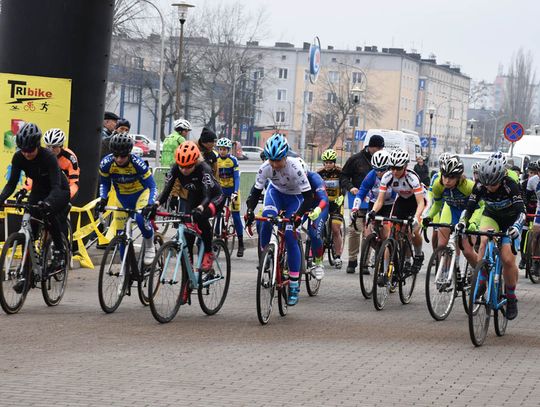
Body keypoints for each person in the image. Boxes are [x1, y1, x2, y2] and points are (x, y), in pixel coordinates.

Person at [0, 123, 71, 290]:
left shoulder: (48, 157)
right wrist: (1, 198)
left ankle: (60, 251)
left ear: (37, 146)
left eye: (30, 150)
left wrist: (48, 203)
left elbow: (55, 186)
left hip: (59, 189)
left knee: (49, 212)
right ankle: (27, 275)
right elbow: (11, 184)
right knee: (30, 229)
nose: (26, 153)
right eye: (23, 150)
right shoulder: (19, 157)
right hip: (39, 189)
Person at [245, 134, 312, 306]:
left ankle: (295, 284)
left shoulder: (295, 167)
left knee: (290, 235)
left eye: (278, 160)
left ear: (285, 156)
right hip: (275, 194)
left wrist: (297, 216)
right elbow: (255, 193)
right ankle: (266, 256)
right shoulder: (265, 167)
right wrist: (250, 211)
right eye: (271, 160)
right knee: (266, 220)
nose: (275, 165)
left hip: (296, 198)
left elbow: (308, 197)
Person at [457, 153, 525, 320]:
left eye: (493, 184)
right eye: (486, 184)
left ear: (501, 179)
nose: (489, 187)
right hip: (492, 216)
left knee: (507, 259)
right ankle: (480, 280)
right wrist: (463, 222)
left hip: (510, 220)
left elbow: (521, 212)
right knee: (484, 240)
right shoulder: (481, 185)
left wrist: (516, 227)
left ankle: (510, 297)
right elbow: (470, 206)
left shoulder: (511, 185)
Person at [156, 141, 225, 270]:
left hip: (213, 197)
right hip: (194, 196)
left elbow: (207, 195)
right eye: (181, 166)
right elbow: (166, 191)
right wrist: (155, 204)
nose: (184, 170)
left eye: (188, 166)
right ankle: (189, 276)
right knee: (188, 235)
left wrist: (200, 208)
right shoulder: (176, 168)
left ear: (195, 162)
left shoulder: (204, 168)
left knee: (201, 217)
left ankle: (208, 252)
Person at [96, 132, 158, 265]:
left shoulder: (138, 164)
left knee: (142, 220)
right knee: (121, 235)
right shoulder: (106, 164)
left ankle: (149, 245)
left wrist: (150, 204)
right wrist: (103, 199)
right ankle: (126, 269)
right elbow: (105, 183)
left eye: (123, 156)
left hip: (141, 195)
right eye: (116, 155)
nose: (119, 159)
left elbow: (153, 186)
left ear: (129, 153)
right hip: (122, 198)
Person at [369, 148, 425, 273]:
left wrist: (416, 217)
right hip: (401, 200)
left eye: (398, 168)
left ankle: (417, 255)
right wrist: (372, 212)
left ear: (405, 166)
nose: (394, 171)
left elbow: (421, 202)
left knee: (413, 231)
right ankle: (385, 272)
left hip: (416, 201)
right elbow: (380, 200)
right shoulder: (388, 176)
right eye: (392, 167)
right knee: (392, 234)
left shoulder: (412, 178)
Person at [422, 156, 478, 268]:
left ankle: (480, 276)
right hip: (452, 211)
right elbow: (437, 204)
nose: (447, 181)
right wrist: (428, 216)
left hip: (470, 213)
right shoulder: (439, 185)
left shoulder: (468, 186)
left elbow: (481, 207)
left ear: (458, 178)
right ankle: (445, 272)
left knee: (467, 251)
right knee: (442, 245)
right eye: (445, 176)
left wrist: (473, 222)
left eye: (451, 178)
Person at [340, 134, 385, 273]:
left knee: (369, 232)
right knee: (354, 230)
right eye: (377, 148)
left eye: (381, 148)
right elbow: (343, 176)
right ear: (370, 147)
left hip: (375, 200)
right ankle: (352, 260)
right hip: (358, 197)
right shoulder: (356, 159)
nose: (379, 151)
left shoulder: (383, 160)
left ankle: (365, 262)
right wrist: (350, 187)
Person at [351, 150, 396, 248]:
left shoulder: (393, 176)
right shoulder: (371, 175)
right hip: (374, 203)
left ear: (388, 167)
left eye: (382, 169)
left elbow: (397, 196)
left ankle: (387, 250)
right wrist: (355, 209)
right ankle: (377, 252)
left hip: (390, 204)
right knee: (367, 233)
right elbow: (361, 193)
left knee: (385, 232)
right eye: (376, 169)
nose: (379, 172)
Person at [216, 137, 245, 257]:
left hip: (232, 190)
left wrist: (235, 191)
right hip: (221, 190)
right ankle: (216, 237)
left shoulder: (233, 160)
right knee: (217, 213)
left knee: (236, 216)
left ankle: (241, 244)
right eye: (220, 149)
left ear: (228, 150)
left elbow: (237, 177)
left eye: (224, 149)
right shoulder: (216, 160)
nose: (222, 151)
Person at [317, 149, 345, 269]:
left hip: (337, 203)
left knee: (335, 229)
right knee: (318, 227)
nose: (328, 164)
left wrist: (342, 196)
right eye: (326, 162)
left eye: (330, 162)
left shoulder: (340, 172)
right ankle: (318, 255)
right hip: (324, 203)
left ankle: (338, 256)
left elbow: (344, 185)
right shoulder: (319, 173)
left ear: (334, 162)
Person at [160, 119, 192, 212]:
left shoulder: (168, 137)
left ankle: (164, 206)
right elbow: (187, 151)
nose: (186, 133)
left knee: (167, 188)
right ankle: (177, 212)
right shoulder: (180, 139)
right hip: (176, 167)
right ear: (180, 130)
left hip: (164, 167)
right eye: (186, 131)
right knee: (180, 189)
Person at [304, 170, 330, 280]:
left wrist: (318, 210)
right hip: (303, 205)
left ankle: (318, 262)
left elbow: (324, 199)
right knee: (288, 227)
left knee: (314, 234)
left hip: (319, 206)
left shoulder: (315, 178)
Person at [43, 128, 80, 200]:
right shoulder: (42, 155)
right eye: (48, 146)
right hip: (49, 187)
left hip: (65, 188)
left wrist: (65, 197)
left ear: (60, 146)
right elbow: (33, 177)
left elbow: (74, 184)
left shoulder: (70, 157)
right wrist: (24, 189)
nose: (50, 150)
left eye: (54, 147)